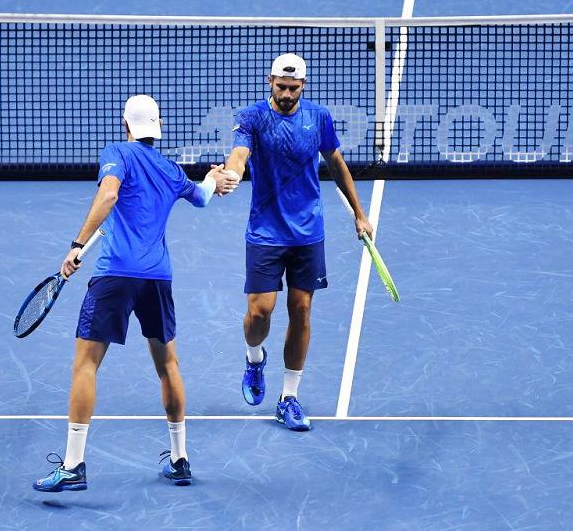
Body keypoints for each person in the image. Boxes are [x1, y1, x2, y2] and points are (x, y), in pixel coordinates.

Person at [33, 94, 238, 491]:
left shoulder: (117, 153)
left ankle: (73, 464)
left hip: (115, 275)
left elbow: (109, 195)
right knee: (168, 365)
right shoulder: (170, 169)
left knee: (85, 365)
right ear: (158, 126)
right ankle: (179, 459)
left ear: (125, 125)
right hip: (157, 279)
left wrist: (77, 245)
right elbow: (202, 196)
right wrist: (214, 178)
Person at [222, 53, 374, 431]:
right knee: (260, 313)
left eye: (294, 88)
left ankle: (288, 397)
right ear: (270, 81)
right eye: (281, 87)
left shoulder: (318, 117)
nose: (287, 94)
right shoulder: (253, 117)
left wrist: (359, 213)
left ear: (303, 85)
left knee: (301, 310)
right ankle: (255, 359)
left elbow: (336, 164)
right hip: (266, 231)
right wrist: (231, 173)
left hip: (308, 231)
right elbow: (240, 154)